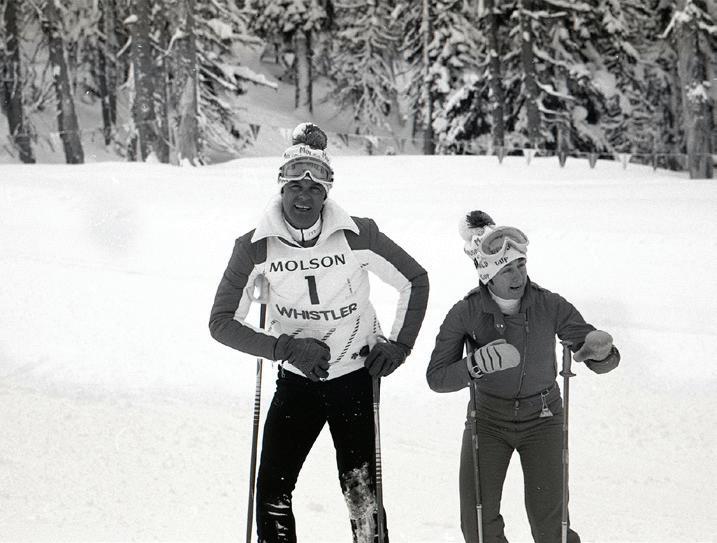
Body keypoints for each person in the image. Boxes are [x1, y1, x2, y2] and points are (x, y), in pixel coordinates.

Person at [209, 122, 429, 543]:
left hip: (354, 379)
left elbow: (415, 280)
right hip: (297, 382)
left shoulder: (359, 234)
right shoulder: (254, 246)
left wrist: (399, 345)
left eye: (315, 187)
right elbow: (221, 322)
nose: (304, 196)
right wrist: (286, 349)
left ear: (327, 192)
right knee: (271, 493)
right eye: (295, 185)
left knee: (362, 495)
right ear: (281, 187)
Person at [426, 210, 620, 543]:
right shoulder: (466, 311)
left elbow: (592, 349)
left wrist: (602, 353)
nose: (517, 276)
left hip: (543, 418)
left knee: (551, 525)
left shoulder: (549, 304)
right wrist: (474, 364)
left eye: (521, 265)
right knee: (477, 522)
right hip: (488, 420)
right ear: (488, 275)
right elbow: (437, 377)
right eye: (506, 269)